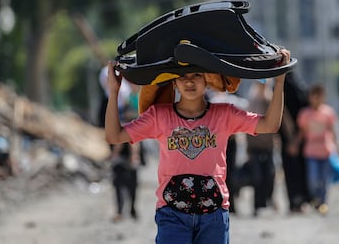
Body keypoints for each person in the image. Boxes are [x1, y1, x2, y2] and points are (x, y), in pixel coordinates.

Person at [105, 49, 290, 244]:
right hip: (172, 214)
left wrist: (279, 82)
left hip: (214, 214)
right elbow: (114, 135)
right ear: (174, 82)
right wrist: (114, 91)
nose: (189, 81)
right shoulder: (159, 116)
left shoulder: (224, 114)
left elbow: (270, 125)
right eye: (182, 76)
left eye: (196, 75)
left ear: (208, 80)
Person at [98, 66, 142, 222]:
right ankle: (120, 209)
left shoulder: (128, 94)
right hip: (118, 144)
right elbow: (103, 123)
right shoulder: (106, 99)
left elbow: (137, 115)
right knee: (118, 179)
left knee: (132, 179)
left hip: (130, 141)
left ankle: (132, 208)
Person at [291, 83, 339, 215]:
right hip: (311, 151)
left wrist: (338, 148)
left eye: (319, 96)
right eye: (314, 96)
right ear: (310, 97)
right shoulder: (305, 113)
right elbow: (301, 132)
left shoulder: (328, 112)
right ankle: (315, 199)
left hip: (326, 151)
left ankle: (323, 203)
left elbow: (332, 131)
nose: (317, 99)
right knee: (312, 179)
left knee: (324, 180)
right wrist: (295, 144)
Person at [278, 72, 311, 213]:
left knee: (293, 171)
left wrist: (293, 141)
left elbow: (282, 114)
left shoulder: (281, 88)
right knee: (300, 170)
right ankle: (300, 201)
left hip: (291, 139)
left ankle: (295, 202)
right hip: (299, 138)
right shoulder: (300, 88)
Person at [244, 79, 277, 216]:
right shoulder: (252, 101)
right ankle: (257, 205)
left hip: (268, 146)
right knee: (256, 177)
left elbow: (276, 120)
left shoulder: (270, 99)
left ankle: (268, 201)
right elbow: (247, 123)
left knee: (270, 175)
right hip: (254, 147)